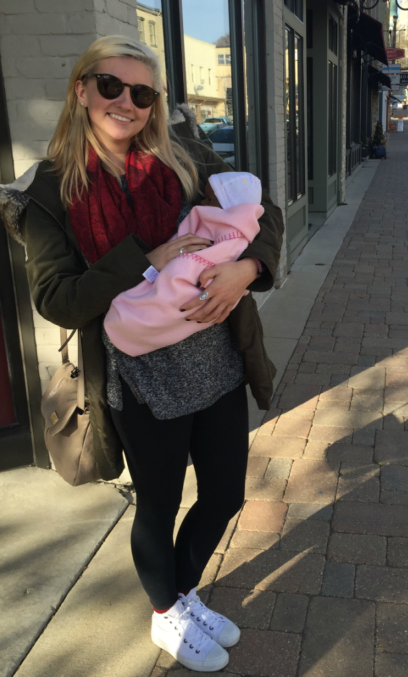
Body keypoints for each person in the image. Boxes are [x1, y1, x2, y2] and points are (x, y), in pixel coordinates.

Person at [1, 35, 283, 672]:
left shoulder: (181, 156)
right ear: (82, 89)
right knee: (159, 501)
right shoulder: (48, 189)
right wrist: (145, 261)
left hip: (215, 356)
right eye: (110, 86)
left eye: (142, 92)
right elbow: (57, 299)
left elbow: (258, 214)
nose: (126, 102)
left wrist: (248, 268)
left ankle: (177, 595)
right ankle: (168, 612)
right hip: (137, 372)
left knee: (225, 494)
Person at [104, 171, 264, 356]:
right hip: (142, 368)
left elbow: (203, 266)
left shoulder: (233, 237)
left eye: (210, 200)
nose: (202, 204)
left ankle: (132, 323)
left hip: (216, 348)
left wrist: (250, 268)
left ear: (230, 206)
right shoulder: (220, 228)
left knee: (172, 300)